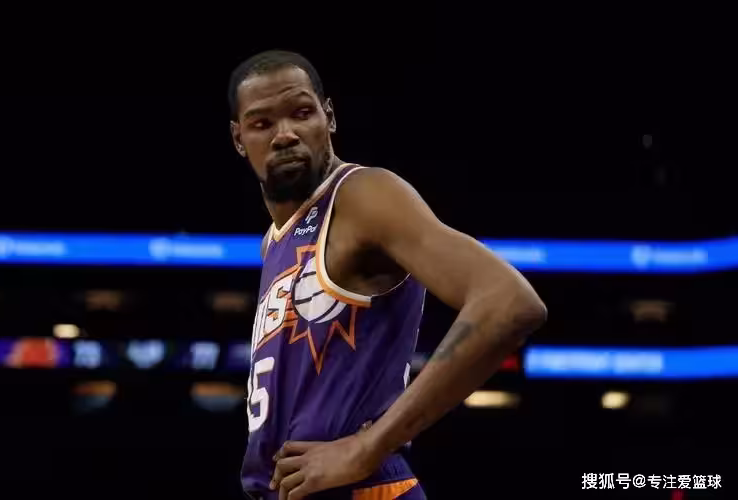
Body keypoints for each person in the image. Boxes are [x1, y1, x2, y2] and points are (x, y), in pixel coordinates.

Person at [228, 50, 546, 500]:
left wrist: (368, 447)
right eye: (262, 123)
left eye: (301, 113)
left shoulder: (361, 196)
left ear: (329, 117)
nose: (285, 135)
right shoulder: (274, 241)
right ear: (239, 139)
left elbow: (509, 302)